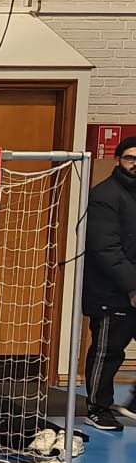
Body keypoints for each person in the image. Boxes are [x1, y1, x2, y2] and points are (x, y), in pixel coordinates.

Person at [82, 135, 136, 429]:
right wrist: (133, 286)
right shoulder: (105, 195)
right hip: (110, 292)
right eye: (130, 158)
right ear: (118, 160)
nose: (135, 164)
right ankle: (97, 408)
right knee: (108, 352)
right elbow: (106, 249)